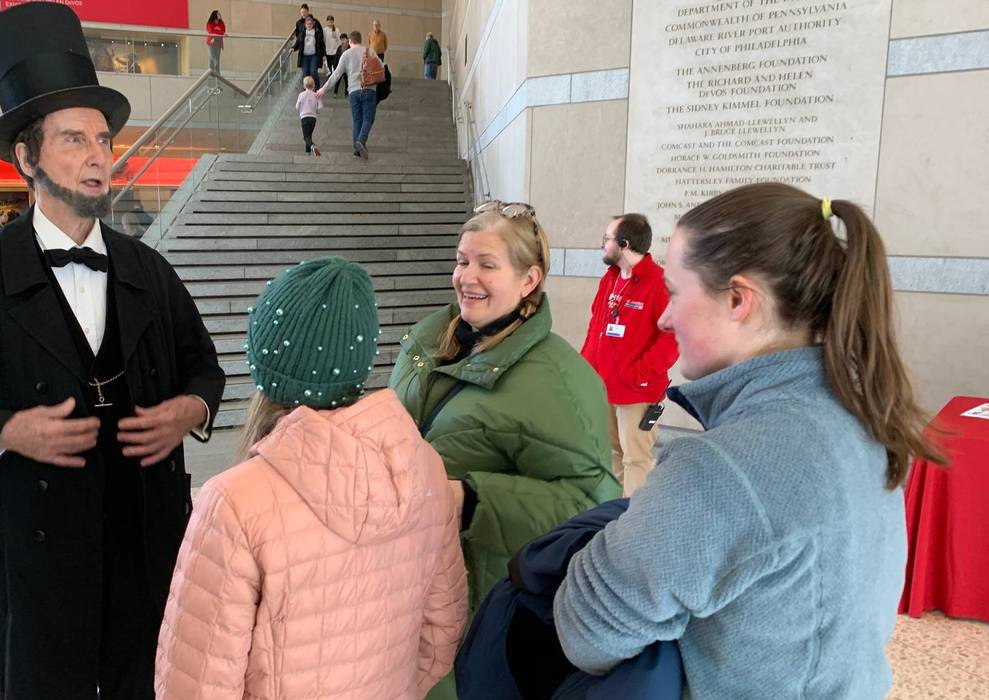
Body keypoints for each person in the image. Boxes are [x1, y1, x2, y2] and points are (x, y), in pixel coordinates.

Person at [0, 4, 227, 697]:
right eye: (73, 139)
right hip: (29, 553)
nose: (98, 156)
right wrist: (4, 430)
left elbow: (204, 368)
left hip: (143, 542)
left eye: (104, 139)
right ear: (27, 158)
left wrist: (190, 410)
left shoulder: (148, 269)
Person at [554, 183, 944, 698]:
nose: (665, 317)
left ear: (738, 300)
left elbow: (587, 630)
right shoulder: (859, 415)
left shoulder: (726, 463)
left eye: (675, 293)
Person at [153, 257, 467, 699]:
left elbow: (194, 687)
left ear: (264, 360)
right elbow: (441, 635)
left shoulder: (234, 502)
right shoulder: (424, 470)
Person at [389, 200, 619, 699]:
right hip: (400, 584)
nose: (466, 277)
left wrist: (471, 500)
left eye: (487, 264)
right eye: (462, 260)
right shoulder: (429, 339)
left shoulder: (561, 381)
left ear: (529, 280)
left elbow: (592, 506)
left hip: (474, 606)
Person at [580, 213, 678, 496]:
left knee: (636, 459)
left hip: (637, 391)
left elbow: (672, 338)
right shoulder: (610, 279)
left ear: (624, 243)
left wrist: (638, 374)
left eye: (607, 239)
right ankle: (614, 512)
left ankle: (634, 516)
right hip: (605, 386)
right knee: (612, 453)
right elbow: (596, 327)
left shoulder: (659, 283)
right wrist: (585, 370)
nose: (602, 244)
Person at [318, 31, 379, 158]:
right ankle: (360, 141)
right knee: (368, 119)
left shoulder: (346, 54)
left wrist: (323, 89)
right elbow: (380, 68)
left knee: (357, 120)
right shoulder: (370, 51)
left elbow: (336, 75)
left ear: (350, 41)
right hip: (369, 89)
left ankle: (357, 150)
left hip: (353, 91)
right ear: (360, 40)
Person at [294, 15, 325, 87]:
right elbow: (298, 42)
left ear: (313, 24)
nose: (309, 25)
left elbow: (322, 44)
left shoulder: (317, 32)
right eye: (307, 24)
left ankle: (316, 88)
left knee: (313, 72)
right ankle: (306, 89)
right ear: (305, 25)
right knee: (305, 74)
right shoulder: (302, 33)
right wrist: (293, 48)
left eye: (310, 23)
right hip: (304, 56)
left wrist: (324, 54)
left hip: (314, 56)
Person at [296, 75, 322, 156]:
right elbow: (320, 106)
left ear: (304, 86)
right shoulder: (316, 95)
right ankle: (308, 151)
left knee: (305, 137)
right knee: (309, 135)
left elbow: (297, 106)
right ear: (313, 85)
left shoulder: (301, 94)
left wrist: (300, 111)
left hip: (304, 117)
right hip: (313, 118)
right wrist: (316, 109)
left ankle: (313, 146)